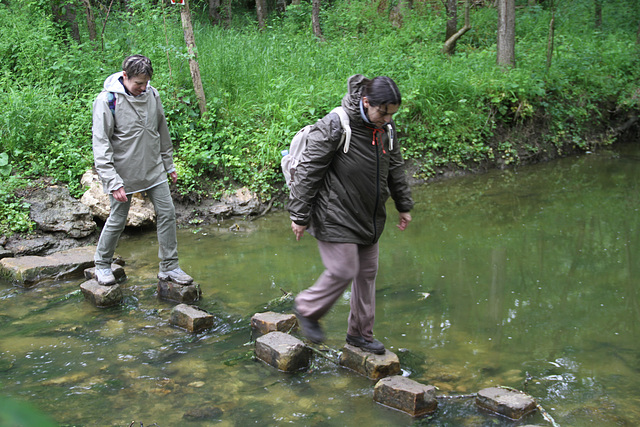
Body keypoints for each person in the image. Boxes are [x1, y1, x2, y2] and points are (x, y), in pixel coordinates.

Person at [288, 74, 414, 354]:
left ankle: (360, 335)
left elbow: (395, 169)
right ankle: (307, 307)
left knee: (367, 273)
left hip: (368, 215)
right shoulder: (336, 124)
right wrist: (299, 214)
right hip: (334, 212)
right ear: (366, 102)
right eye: (383, 112)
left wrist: (403, 205)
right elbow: (308, 170)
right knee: (344, 269)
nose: (387, 119)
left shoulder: (386, 129)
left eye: (392, 114)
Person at [91, 55, 192, 286]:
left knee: (167, 213)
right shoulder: (107, 101)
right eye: (138, 83)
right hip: (123, 173)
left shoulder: (152, 94)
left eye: (146, 83)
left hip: (154, 169)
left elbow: (161, 130)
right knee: (117, 219)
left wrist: (169, 164)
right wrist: (112, 180)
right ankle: (102, 265)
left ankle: (169, 266)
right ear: (124, 76)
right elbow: (101, 144)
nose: (143, 88)